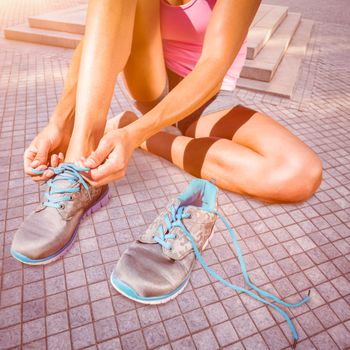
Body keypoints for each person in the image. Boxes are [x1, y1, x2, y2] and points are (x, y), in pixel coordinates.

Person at [11, 0, 322, 264]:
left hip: (204, 99)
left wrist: (134, 135)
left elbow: (213, 70)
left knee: (298, 174)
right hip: (152, 85)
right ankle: (81, 166)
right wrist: (58, 122)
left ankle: (140, 133)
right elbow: (97, 40)